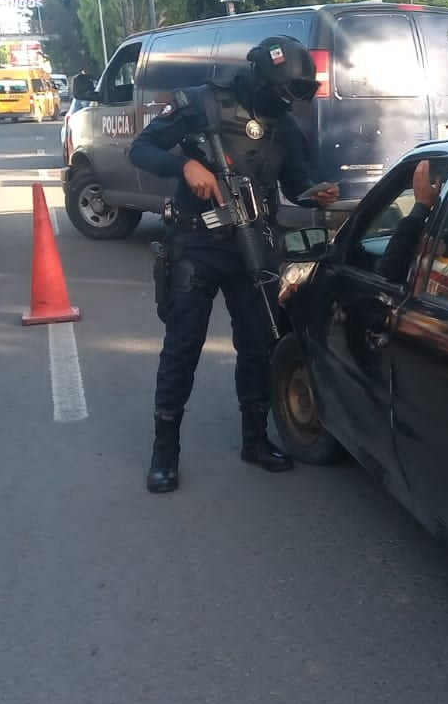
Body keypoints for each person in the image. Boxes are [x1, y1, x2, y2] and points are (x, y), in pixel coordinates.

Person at [129, 35, 340, 494]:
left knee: (259, 345)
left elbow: (295, 183)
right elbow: (140, 150)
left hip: (252, 246)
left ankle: (255, 439)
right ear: (262, 78)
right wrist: (184, 165)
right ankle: (165, 452)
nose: (285, 105)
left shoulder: (284, 127)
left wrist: (312, 192)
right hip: (197, 244)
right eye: (282, 93)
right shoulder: (200, 104)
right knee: (182, 348)